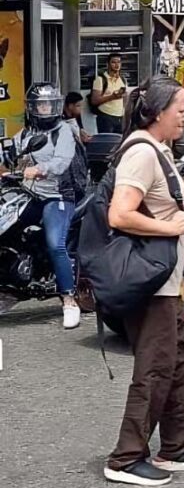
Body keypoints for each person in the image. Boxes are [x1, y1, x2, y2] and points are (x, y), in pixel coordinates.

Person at [104, 76, 184, 487]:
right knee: (155, 368)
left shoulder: (158, 148)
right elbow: (119, 214)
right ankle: (125, 458)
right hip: (151, 285)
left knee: (180, 363)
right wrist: (172, 227)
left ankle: (177, 447)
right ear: (155, 113)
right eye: (180, 109)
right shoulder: (142, 152)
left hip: (167, 283)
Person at [12, 84, 81, 329]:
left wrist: (39, 169)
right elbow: (10, 150)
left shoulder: (63, 130)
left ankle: (69, 300)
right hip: (30, 194)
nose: (45, 108)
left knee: (55, 244)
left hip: (58, 196)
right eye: (40, 104)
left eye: (49, 104)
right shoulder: (26, 134)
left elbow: (61, 161)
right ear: (32, 108)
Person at [90, 53, 128, 134]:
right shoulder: (100, 80)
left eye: (119, 62)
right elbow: (94, 100)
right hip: (105, 116)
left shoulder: (123, 79)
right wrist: (112, 97)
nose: (117, 65)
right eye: (113, 62)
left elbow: (125, 99)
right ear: (107, 64)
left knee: (119, 140)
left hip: (120, 116)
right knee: (107, 140)